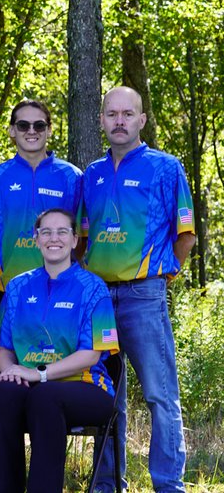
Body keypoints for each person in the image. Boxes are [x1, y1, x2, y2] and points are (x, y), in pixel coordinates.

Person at [84, 87, 195, 493]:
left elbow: (185, 235)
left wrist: (163, 276)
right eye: (111, 114)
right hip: (98, 298)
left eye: (127, 114)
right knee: (107, 398)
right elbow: (82, 237)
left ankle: (168, 484)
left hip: (143, 297)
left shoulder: (165, 167)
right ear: (100, 120)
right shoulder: (91, 174)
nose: (119, 121)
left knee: (160, 394)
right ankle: (108, 483)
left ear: (141, 120)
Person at [0, 208, 120, 493]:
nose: (53, 238)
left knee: (45, 396)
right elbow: (4, 349)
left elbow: (91, 355)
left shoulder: (94, 288)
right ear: (36, 239)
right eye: (46, 232)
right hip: (31, 385)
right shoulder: (17, 286)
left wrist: (38, 374)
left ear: (74, 240)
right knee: (2, 394)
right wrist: (10, 371)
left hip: (86, 386)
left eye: (62, 232)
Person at [0, 99, 81, 304]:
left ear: (49, 130)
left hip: (59, 290)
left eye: (39, 125)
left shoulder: (72, 177)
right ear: (12, 131)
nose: (31, 131)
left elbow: (81, 239)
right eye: (23, 125)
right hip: (4, 292)